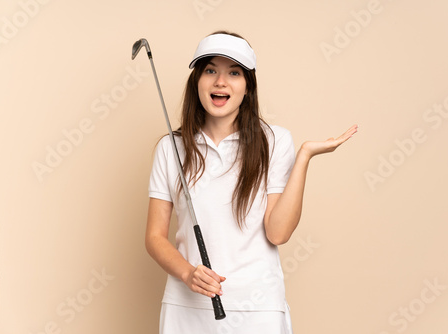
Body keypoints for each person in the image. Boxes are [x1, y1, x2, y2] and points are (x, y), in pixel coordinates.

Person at [145, 30, 358, 334]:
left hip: (258, 307)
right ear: (197, 82)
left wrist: (304, 158)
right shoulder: (171, 148)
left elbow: (278, 232)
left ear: (248, 86)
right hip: (187, 308)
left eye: (234, 72)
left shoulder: (275, 141)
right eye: (210, 70)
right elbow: (154, 236)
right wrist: (188, 273)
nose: (221, 81)